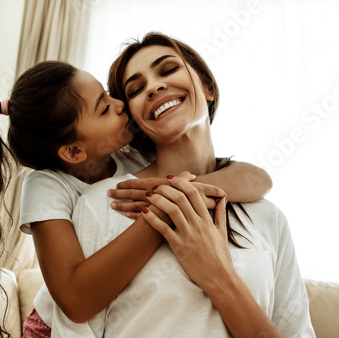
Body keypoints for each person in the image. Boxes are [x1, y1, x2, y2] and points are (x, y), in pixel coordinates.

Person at [0, 60, 271, 337]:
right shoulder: (46, 186)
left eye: (110, 96)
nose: (121, 105)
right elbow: (74, 299)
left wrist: (184, 190)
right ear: (73, 151)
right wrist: (164, 208)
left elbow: (257, 178)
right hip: (53, 329)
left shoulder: (132, 156)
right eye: (104, 108)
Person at [42, 32, 314, 337]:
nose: (155, 87)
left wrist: (218, 276)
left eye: (168, 70)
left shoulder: (269, 218)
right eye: (136, 89)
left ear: (207, 87)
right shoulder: (103, 202)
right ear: (134, 121)